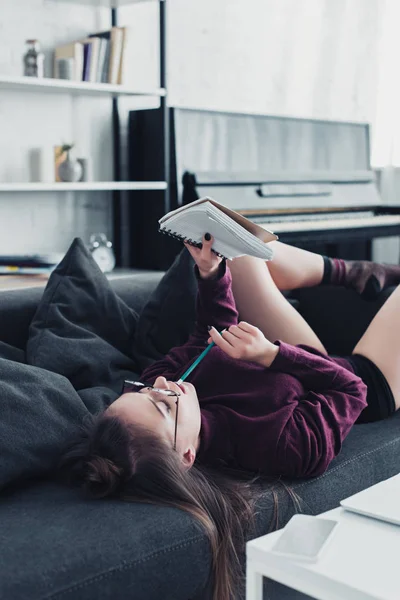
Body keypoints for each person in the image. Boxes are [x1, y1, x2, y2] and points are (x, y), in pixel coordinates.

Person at [62, 236, 400, 600]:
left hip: (300, 359)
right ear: (187, 455)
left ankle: (361, 273)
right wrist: (272, 355)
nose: (162, 384)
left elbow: (212, 333)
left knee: (242, 249)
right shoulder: (280, 445)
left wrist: (210, 274)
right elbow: (352, 390)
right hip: (368, 376)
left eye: (141, 391)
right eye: (163, 404)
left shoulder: (170, 382)